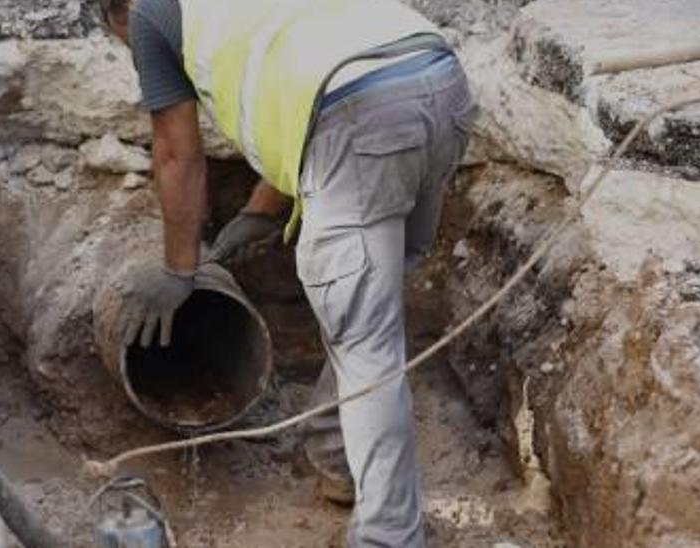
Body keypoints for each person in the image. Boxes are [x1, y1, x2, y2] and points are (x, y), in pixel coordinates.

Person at [102, 0, 478, 545]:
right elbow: (303, 82)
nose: (141, 58)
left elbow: (176, 154)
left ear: (117, 14)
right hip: (438, 84)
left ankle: (389, 536)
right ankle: (335, 450)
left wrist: (179, 270)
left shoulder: (149, 14)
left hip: (359, 114)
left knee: (366, 341)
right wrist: (259, 212)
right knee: (368, 310)